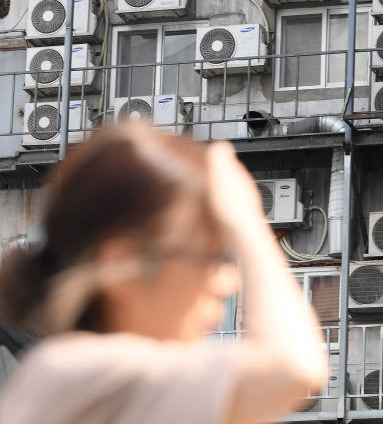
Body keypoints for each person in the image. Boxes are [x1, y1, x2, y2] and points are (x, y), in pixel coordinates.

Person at [0, 123, 328, 424]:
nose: (226, 281)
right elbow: (293, 366)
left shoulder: (72, 373)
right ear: (121, 266)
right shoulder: (84, 371)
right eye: (209, 258)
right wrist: (245, 222)